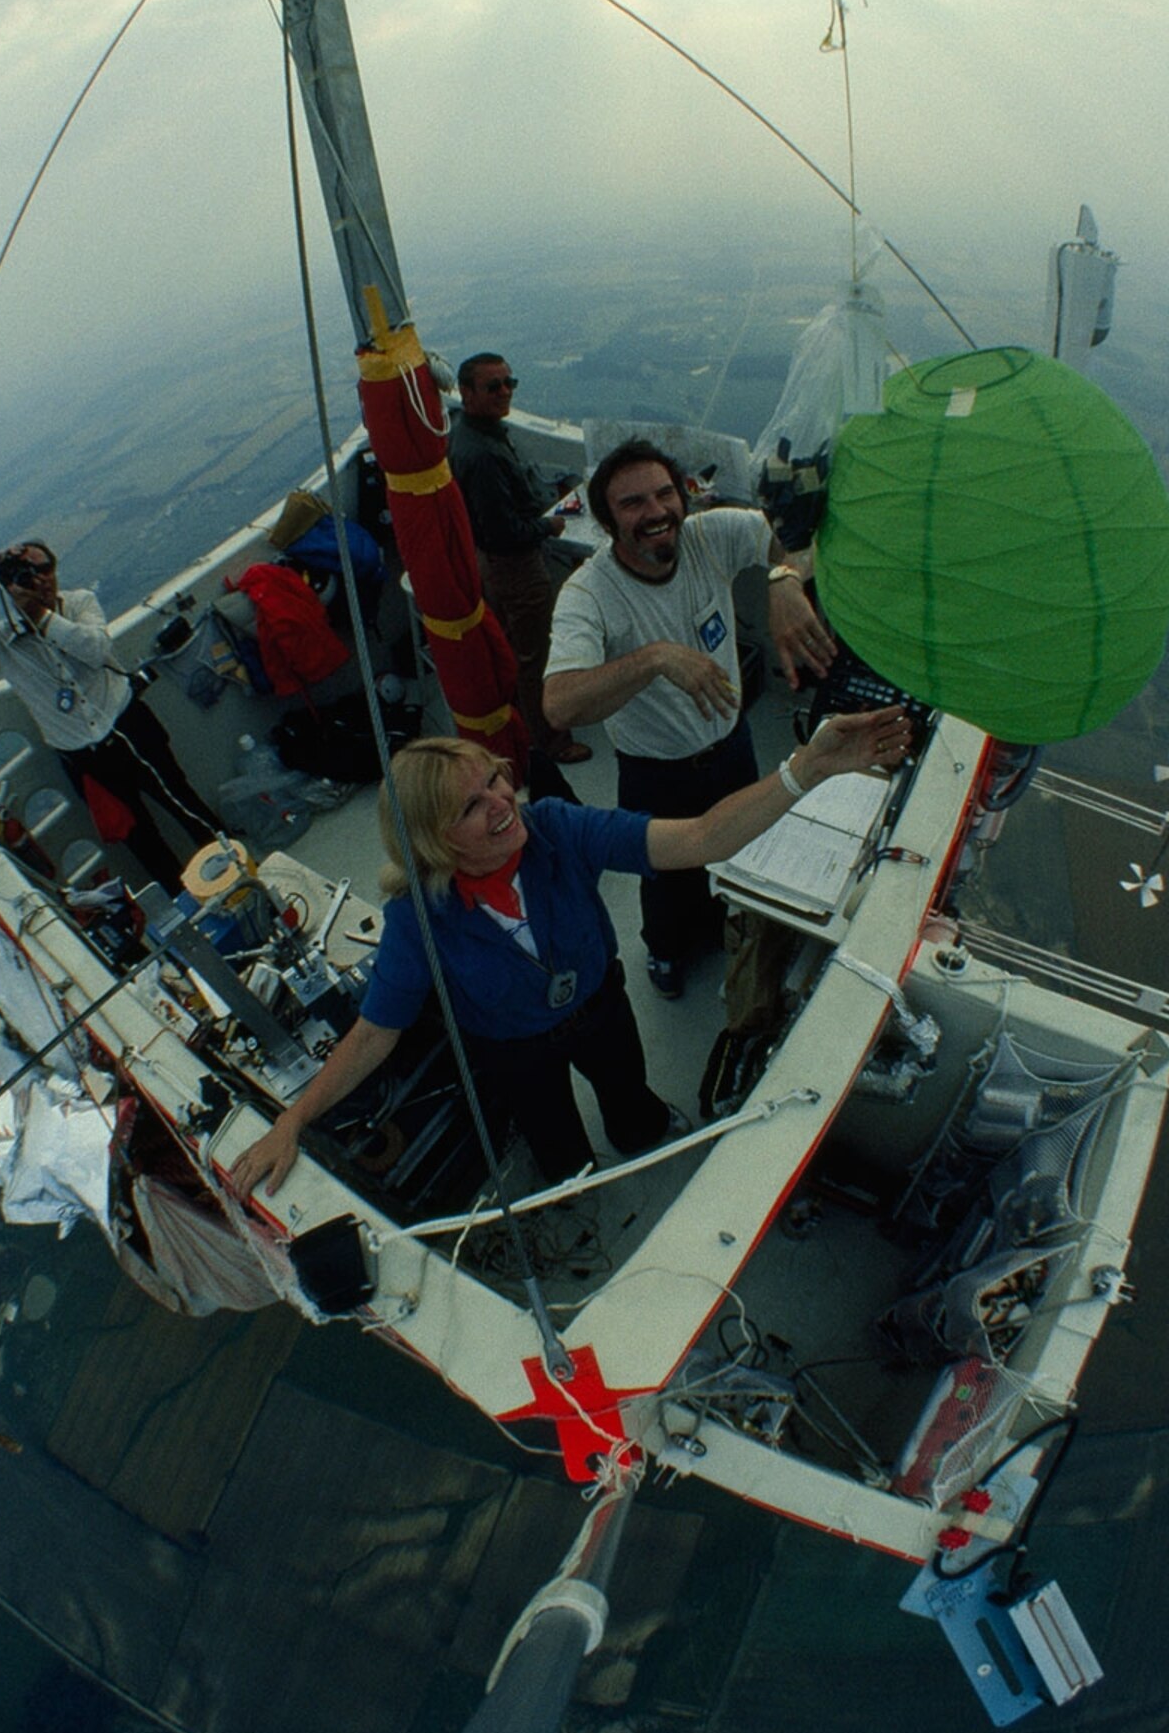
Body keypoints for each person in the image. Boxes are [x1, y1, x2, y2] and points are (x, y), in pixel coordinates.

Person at [227, 706, 915, 1199]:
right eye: (471, 806)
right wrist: (291, 1121)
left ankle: (641, 1128)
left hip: (601, 1003)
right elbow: (376, 1033)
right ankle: (575, 1187)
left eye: (495, 780)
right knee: (556, 1141)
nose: (502, 802)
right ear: (437, 841)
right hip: (516, 1051)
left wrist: (808, 770)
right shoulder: (417, 919)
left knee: (629, 1092)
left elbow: (702, 838)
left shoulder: (554, 827)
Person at [540, 439, 839, 996]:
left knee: (747, 845)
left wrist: (784, 580)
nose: (655, 513)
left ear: (685, 497)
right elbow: (559, 703)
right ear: (607, 522)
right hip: (656, 769)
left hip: (731, 742)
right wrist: (656, 658)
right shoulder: (589, 594)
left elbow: (802, 536)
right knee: (668, 879)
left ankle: (732, 924)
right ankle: (666, 951)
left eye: (664, 494)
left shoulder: (711, 535)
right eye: (632, 504)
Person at [0, 541, 234, 890]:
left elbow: (95, 649)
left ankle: (236, 870)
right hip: (84, 759)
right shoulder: (2, 643)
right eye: (26, 574)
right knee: (139, 838)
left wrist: (42, 618)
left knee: (182, 802)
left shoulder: (79, 603)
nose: (39, 580)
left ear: (55, 568)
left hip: (128, 727)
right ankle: (191, 907)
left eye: (43, 567)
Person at [444, 352, 589, 799]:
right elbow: (505, 533)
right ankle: (551, 742)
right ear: (466, 394)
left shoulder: (472, 434)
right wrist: (549, 525)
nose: (505, 392)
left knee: (513, 650)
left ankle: (525, 728)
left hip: (491, 563)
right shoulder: (483, 454)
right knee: (535, 655)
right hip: (514, 566)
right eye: (493, 387)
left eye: (510, 383)